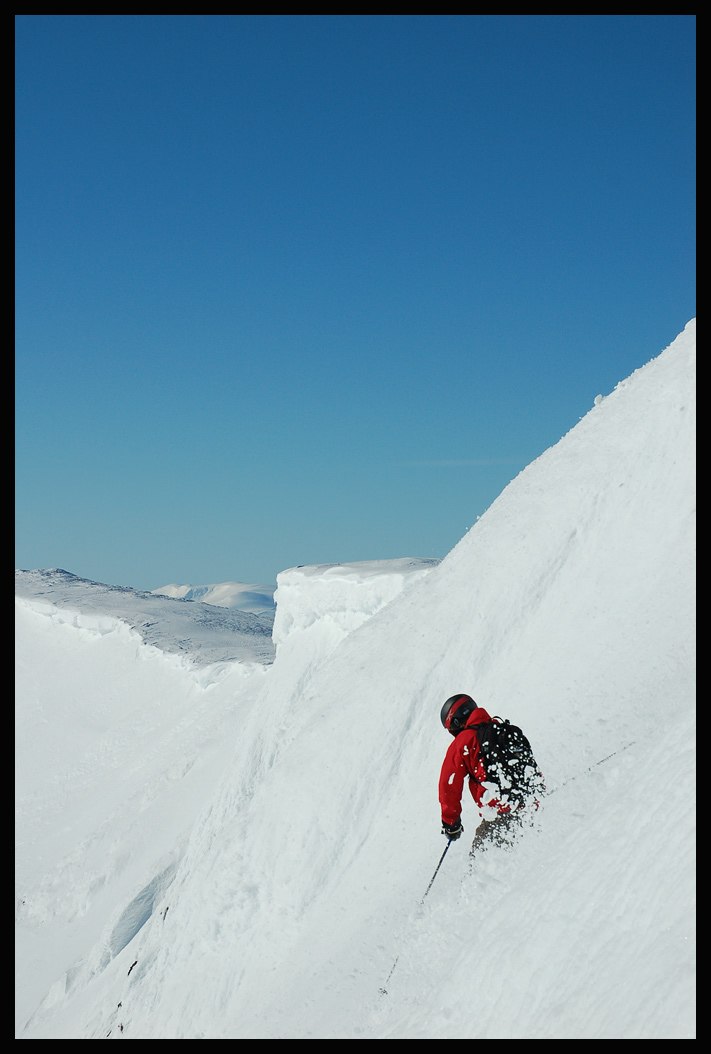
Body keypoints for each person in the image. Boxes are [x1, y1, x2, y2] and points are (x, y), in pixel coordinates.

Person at [438, 692, 522, 853]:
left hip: (501, 814)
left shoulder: (463, 741)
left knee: (481, 862)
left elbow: (448, 784)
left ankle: (474, 878)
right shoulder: (500, 727)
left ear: (455, 722)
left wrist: (451, 823)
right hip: (530, 803)